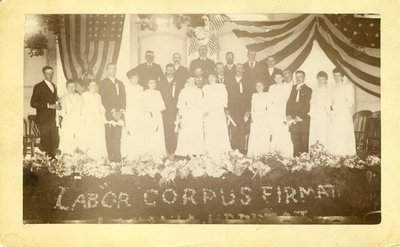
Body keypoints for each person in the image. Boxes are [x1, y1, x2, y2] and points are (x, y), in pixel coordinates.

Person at [30, 66, 60, 158]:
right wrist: (48, 105)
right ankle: (45, 165)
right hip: (43, 119)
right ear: (44, 74)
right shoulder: (38, 86)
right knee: (46, 142)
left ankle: (53, 163)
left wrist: (59, 106)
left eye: (51, 73)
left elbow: (55, 101)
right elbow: (33, 103)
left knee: (54, 141)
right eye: (47, 73)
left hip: (53, 119)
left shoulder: (54, 86)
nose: (50, 75)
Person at [99, 63, 126, 162]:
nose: (113, 70)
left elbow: (123, 97)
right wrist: (113, 110)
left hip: (119, 114)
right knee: (110, 137)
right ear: (107, 70)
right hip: (110, 113)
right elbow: (103, 98)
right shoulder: (103, 83)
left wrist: (121, 110)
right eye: (110, 69)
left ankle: (118, 160)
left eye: (114, 68)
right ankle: (111, 160)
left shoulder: (120, 83)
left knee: (118, 137)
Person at [327, 68, 356, 156]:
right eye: (334, 76)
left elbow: (350, 102)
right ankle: (335, 153)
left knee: (343, 132)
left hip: (344, 114)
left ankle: (345, 153)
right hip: (335, 114)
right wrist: (331, 107)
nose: (336, 77)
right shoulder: (332, 87)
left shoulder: (348, 86)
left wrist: (338, 107)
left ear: (342, 76)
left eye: (338, 75)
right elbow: (330, 101)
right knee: (335, 133)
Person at [202, 73, 231, 158]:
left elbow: (224, 99)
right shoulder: (205, 88)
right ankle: (210, 151)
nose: (211, 78)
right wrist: (204, 110)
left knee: (219, 129)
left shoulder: (221, 86)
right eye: (209, 77)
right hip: (209, 112)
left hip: (218, 112)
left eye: (213, 77)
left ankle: (221, 151)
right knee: (210, 130)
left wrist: (219, 106)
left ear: (216, 78)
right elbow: (204, 100)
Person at [226, 63, 252, 154]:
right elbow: (226, 96)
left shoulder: (247, 81)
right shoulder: (229, 81)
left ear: (243, 70)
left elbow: (249, 97)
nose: (238, 70)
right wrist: (227, 110)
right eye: (237, 68)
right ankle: (234, 151)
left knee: (241, 131)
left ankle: (241, 152)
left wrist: (248, 110)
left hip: (243, 111)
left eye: (240, 68)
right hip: (232, 110)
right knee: (233, 131)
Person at [175, 77, 205, 157]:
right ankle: (186, 150)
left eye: (193, 80)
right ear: (187, 80)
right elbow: (180, 104)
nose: (191, 82)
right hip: (187, 114)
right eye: (190, 80)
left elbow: (201, 103)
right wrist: (181, 113)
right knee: (187, 131)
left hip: (196, 114)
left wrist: (201, 113)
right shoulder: (183, 91)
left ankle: (197, 150)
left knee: (196, 131)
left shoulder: (198, 91)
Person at [159, 64, 184, 155]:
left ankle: (173, 151)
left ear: (174, 71)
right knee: (165, 130)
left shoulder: (179, 82)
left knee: (174, 130)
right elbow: (158, 97)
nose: (170, 71)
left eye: (172, 70)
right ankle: (166, 151)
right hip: (164, 110)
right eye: (168, 70)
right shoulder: (161, 82)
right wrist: (160, 110)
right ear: (165, 70)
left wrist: (179, 110)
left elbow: (181, 97)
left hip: (174, 110)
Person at [286, 70, 312, 156]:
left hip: (303, 119)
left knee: (304, 141)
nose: (298, 79)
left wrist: (299, 117)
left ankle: (304, 162)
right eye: (296, 77)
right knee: (295, 140)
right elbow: (288, 103)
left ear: (304, 77)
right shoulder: (292, 88)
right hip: (293, 119)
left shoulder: (308, 89)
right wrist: (288, 116)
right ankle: (296, 162)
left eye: (300, 76)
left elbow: (307, 105)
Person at [268, 72, 293, 157]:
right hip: (274, 113)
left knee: (284, 133)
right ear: (274, 79)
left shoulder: (288, 87)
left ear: (283, 78)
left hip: (283, 113)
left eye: (279, 77)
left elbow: (288, 101)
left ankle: (285, 154)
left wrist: (286, 114)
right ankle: (274, 154)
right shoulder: (271, 87)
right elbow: (269, 101)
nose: (278, 79)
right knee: (274, 133)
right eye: (276, 78)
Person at [121, 69, 145, 160]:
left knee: (139, 131)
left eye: (136, 78)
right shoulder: (125, 88)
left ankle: (138, 153)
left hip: (139, 113)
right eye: (133, 78)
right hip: (129, 112)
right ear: (129, 79)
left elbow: (143, 101)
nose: (135, 80)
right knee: (129, 131)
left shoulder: (141, 88)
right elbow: (123, 100)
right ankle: (129, 153)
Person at [81, 80, 107, 159]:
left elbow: (101, 107)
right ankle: (90, 157)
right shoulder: (84, 95)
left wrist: (104, 114)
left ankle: (99, 157)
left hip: (98, 119)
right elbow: (83, 107)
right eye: (92, 85)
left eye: (95, 85)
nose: (94, 87)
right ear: (88, 86)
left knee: (99, 137)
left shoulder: (98, 96)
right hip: (89, 119)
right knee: (90, 137)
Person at [142, 79, 167, 158]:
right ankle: (149, 153)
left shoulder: (158, 92)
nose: (152, 84)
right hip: (148, 115)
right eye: (150, 83)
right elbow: (143, 105)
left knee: (158, 132)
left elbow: (161, 104)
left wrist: (158, 112)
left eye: (154, 83)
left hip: (157, 115)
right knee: (149, 132)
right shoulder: (145, 93)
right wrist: (149, 111)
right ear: (147, 84)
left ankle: (159, 153)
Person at [247, 82, 270, 158]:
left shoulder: (267, 95)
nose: (258, 87)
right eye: (257, 85)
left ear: (264, 86)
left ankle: (263, 154)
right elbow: (252, 108)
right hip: (255, 118)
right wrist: (252, 117)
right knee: (255, 136)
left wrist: (265, 115)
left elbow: (270, 107)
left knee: (263, 135)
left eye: (260, 85)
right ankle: (254, 154)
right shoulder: (254, 95)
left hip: (264, 117)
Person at [59, 80, 82, 154]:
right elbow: (62, 110)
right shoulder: (63, 97)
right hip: (67, 120)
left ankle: (77, 156)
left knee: (78, 137)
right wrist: (66, 119)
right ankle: (67, 154)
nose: (71, 88)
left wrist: (79, 118)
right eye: (69, 86)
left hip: (77, 120)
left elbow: (82, 109)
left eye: (73, 86)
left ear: (75, 87)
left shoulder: (79, 97)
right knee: (67, 138)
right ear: (66, 87)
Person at [309, 71, 331, 149]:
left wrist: (327, 111)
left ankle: (324, 151)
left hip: (324, 114)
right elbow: (312, 102)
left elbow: (330, 102)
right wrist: (312, 113)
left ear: (326, 80)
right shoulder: (314, 90)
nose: (320, 81)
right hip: (315, 114)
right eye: (319, 79)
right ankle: (314, 150)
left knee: (324, 133)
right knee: (315, 133)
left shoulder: (329, 89)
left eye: (322, 79)